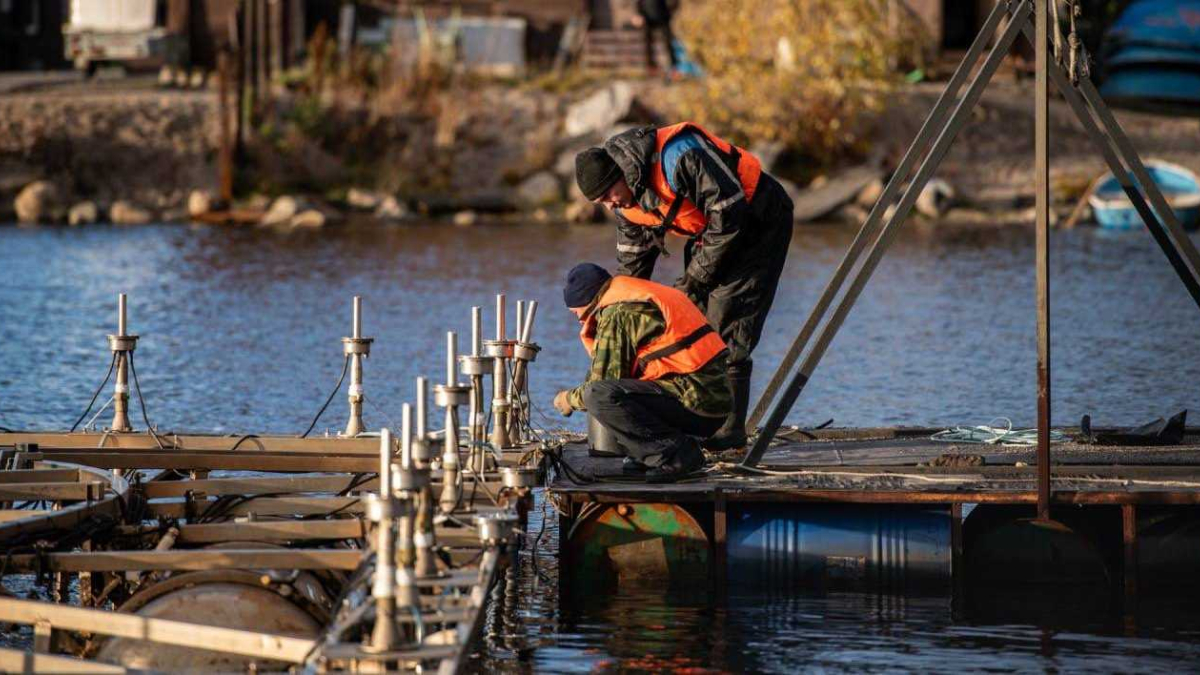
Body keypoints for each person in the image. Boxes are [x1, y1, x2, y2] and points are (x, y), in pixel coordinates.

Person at [573, 122, 794, 451]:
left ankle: (728, 433)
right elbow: (632, 272)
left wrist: (695, 280)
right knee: (689, 322)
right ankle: (698, 419)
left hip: (756, 219)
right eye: (600, 202)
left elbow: (729, 213)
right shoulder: (625, 202)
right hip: (712, 231)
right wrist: (617, 323)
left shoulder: (681, 156)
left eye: (608, 195)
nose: (609, 206)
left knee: (726, 321)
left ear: (620, 174)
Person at [552, 263, 731, 483]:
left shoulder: (618, 312)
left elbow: (602, 384)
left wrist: (568, 399)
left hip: (696, 401)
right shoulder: (635, 296)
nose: (579, 319)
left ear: (587, 300)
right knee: (607, 391)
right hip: (709, 399)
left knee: (598, 395)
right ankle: (650, 454)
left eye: (576, 311)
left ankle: (676, 455)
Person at [635, 0, 679, 72]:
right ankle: (651, 66)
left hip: (663, 16)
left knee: (668, 42)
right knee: (648, 43)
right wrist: (638, 14)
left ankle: (674, 66)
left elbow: (674, 2)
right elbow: (639, 2)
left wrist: (671, 11)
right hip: (647, 17)